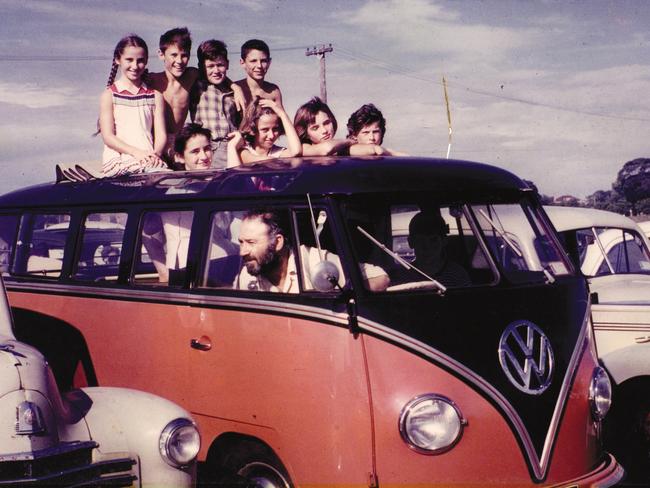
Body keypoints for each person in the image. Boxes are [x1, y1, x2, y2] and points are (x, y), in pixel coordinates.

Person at [233, 209, 389, 293]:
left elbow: (380, 276)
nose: (242, 252)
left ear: (278, 242)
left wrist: (340, 295)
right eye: (241, 242)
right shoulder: (247, 275)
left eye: (251, 242)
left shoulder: (315, 261)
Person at [99, 35, 167, 177]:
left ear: (146, 61)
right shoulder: (109, 95)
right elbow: (108, 136)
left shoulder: (155, 96)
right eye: (129, 60)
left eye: (140, 61)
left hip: (149, 159)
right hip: (121, 158)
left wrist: (155, 155)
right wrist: (136, 153)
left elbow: (161, 135)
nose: (135, 66)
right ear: (118, 59)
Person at [148, 27, 199, 163]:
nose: (180, 61)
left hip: (177, 142)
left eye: (184, 55)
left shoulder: (192, 75)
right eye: (174, 55)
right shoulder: (152, 80)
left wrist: (235, 87)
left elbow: (214, 75)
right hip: (155, 142)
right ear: (161, 54)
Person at [189, 39, 242, 168]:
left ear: (227, 64)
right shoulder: (196, 84)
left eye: (220, 65)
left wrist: (235, 87)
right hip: (209, 147)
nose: (216, 70)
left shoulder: (232, 92)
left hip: (231, 146)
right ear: (202, 67)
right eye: (211, 66)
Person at [392, 210, 471, 287]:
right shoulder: (402, 277)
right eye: (420, 240)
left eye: (433, 240)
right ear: (411, 242)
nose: (427, 247)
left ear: (444, 241)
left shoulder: (457, 275)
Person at [293, 98, 392, 156]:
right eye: (315, 128)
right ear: (305, 133)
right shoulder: (303, 148)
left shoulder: (338, 148)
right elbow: (326, 149)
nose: (324, 130)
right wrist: (349, 141)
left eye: (327, 123)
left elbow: (373, 150)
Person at [227, 98, 301, 166]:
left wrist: (282, 114)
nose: (271, 135)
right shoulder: (245, 150)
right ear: (252, 130)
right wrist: (232, 145)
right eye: (265, 130)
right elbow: (264, 161)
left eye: (275, 129)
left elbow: (296, 152)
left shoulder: (277, 152)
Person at [234, 39, 282, 109]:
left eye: (263, 61)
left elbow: (282, 118)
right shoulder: (235, 89)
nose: (259, 65)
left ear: (269, 62)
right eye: (253, 61)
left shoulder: (274, 91)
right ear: (242, 63)